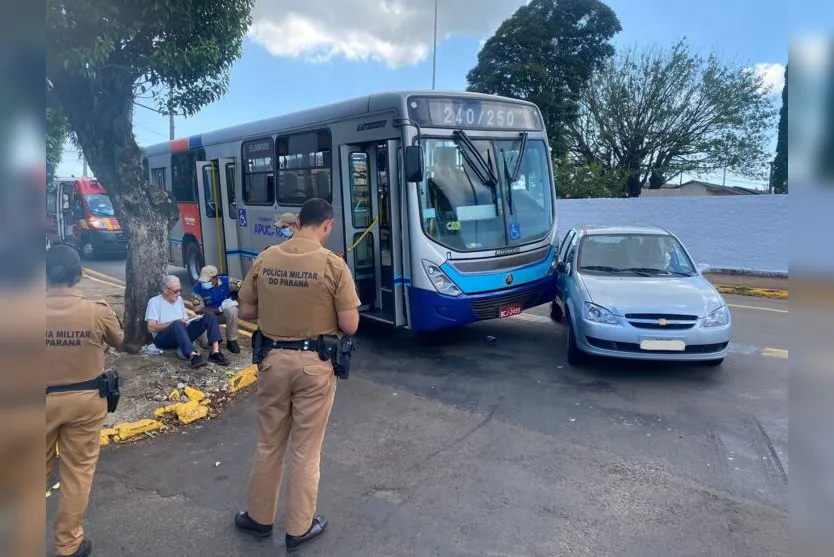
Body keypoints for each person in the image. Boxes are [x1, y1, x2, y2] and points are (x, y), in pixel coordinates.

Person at [233, 198, 361, 552]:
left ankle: (259, 520)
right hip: (314, 366)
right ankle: (299, 528)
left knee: (268, 443)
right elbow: (350, 324)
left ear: (298, 222)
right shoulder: (333, 265)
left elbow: (245, 308)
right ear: (327, 225)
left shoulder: (266, 258)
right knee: (306, 450)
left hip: (272, 360)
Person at [45, 245, 123, 557]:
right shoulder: (98, 311)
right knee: (77, 474)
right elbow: (120, 339)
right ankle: (68, 545)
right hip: (86, 402)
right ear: (79, 276)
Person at [145, 275, 229, 368]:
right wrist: (173, 322)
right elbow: (151, 327)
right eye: (176, 291)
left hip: (182, 331)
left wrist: (194, 318)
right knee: (177, 324)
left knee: (209, 315)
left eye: (180, 290)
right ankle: (193, 355)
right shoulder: (154, 302)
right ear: (165, 290)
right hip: (163, 338)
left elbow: (184, 319)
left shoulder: (179, 300)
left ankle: (215, 352)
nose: (179, 294)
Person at [191, 265, 242, 354]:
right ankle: (216, 344)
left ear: (215, 278)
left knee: (232, 310)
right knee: (205, 344)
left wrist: (235, 301)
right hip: (208, 318)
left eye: (208, 281)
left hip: (224, 314)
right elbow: (198, 310)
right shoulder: (196, 289)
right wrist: (218, 309)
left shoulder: (227, 281)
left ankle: (232, 340)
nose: (204, 283)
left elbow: (245, 288)